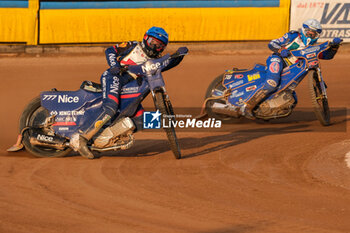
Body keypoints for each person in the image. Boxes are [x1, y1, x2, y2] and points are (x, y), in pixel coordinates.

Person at [70, 26, 188, 159]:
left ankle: (104, 137)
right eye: (152, 42)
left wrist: (180, 55)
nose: (155, 47)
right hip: (115, 76)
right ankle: (81, 139)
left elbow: (169, 64)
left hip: (132, 86)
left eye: (160, 46)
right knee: (111, 107)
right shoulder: (132, 45)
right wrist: (114, 65)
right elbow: (111, 50)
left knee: (141, 120)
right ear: (145, 39)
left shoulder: (155, 61)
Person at [239, 18, 343, 119]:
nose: (310, 35)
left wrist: (334, 47)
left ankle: (264, 110)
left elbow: (326, 56)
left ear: (317, 35)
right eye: (308, 32)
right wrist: (281, 50)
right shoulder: (292, 36)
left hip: (291, 69)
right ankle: (246, 106)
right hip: (278, 60)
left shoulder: (313, 48)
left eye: (313, 34)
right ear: (303, 30)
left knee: (292, 99)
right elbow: (272, 43)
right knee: (272, 83)